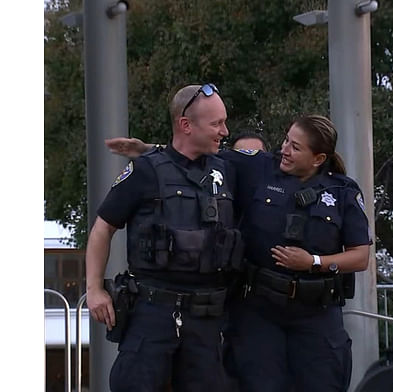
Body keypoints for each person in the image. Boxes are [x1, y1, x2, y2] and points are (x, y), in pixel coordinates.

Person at [107, 114, 372, 392]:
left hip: (316, 315)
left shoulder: (343, 191)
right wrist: (145, 149)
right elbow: (196, 151)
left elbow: (359, 256)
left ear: (318, 158)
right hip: (260, 313)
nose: (284, 149)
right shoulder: (258, 166)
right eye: (285, 140)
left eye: (295, 147)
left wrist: (313, 262)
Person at [86, 83, 243, 391]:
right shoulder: (145, 172)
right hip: (153, 313)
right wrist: (93, 288)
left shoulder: (227, 169)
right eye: (216, 123)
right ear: (186, 125)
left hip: (207, 320)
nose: (225, 131)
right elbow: (103, 227)